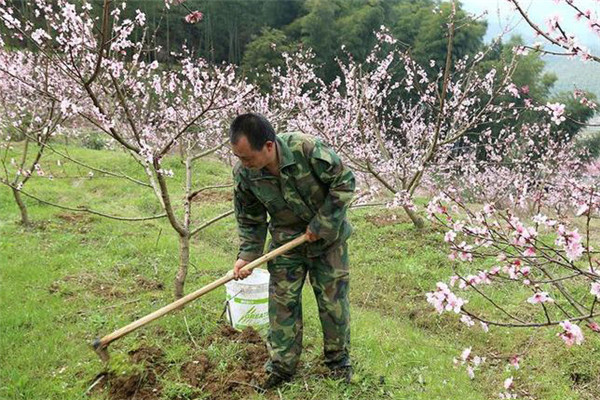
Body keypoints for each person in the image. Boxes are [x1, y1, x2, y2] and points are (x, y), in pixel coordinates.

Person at [229, 113, 355, 390]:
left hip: (328, 240)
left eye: (248, 157)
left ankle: (338, 361)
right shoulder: (244, 175)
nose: (244, 164)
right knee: (282, 304)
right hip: (286, 243)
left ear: (269, 146)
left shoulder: (305, 149)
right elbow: (250, 218)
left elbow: (345, 182)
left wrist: (322, 223)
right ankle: (282, 366)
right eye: (239, 158)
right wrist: (247, 256)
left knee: (332, 302)